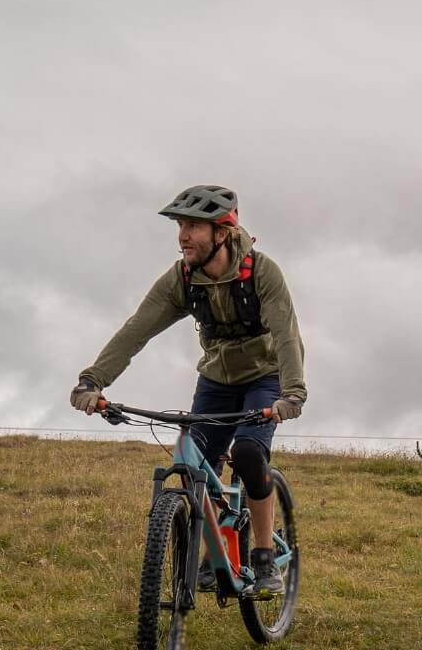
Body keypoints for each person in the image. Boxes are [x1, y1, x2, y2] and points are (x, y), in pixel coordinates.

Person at [70, 184, 307, 596]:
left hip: (265, 378)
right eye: (180, 225)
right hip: (216, 379)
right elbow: (137, 329)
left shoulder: (261, 271)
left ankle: (265, 558)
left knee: (249, 454)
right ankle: (214, 552)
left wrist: (291, 394)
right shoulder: (183, 278)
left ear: (222, 232)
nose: (182, 236)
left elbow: (286, 336)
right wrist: (93, 380)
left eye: (192, 227)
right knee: (200, 466)